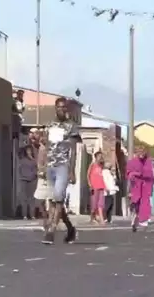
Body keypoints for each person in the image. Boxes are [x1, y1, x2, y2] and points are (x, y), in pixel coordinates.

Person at [41, 97, 79, 245]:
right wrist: (43, 165)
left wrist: (72, 170)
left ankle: (51, 231)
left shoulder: (71, 127)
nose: (61, 110)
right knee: (54, 200)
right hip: (51, 165)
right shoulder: (50, 125)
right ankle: (70, 229)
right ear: (55, 108)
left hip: (63, 166)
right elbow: (45, 146)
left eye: (64, 107)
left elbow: (74, 151)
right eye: (59, 107)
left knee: (58, 196)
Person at [126, 145, 154, 231]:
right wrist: (134, 175)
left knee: (144, 202)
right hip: (136, 185)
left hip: (145, 186)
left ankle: (142, 219)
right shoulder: (132, 162)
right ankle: (136, 217)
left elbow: (150, 174)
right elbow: (128, 173)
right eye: (139, 152)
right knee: (136, 203)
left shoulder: (148, 162)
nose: (141, 154)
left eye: (143, 152)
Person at [17, 146, 38, 219]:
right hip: (24, 179)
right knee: (24, 198)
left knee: (32, 198)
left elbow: (36, 168)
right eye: (28, 150)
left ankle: (32, 214)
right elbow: (20, 169)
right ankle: (24, 215)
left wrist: (34, 174)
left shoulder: (34, 160)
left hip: (32, 179)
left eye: (30, 150)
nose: (29, 152)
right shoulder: (22, 159)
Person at [87, 151, 106, 225]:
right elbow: (88, 175)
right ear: (96, 157)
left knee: (101, 204)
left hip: (101, 186)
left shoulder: (101, 165)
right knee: (94, 205)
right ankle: (92, 218)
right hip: (94, 187)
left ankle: (101, 219)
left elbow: (107, 165)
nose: (100, 157)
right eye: (99, 156)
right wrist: (89, 184)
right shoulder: (92, 164)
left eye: (101, 156)